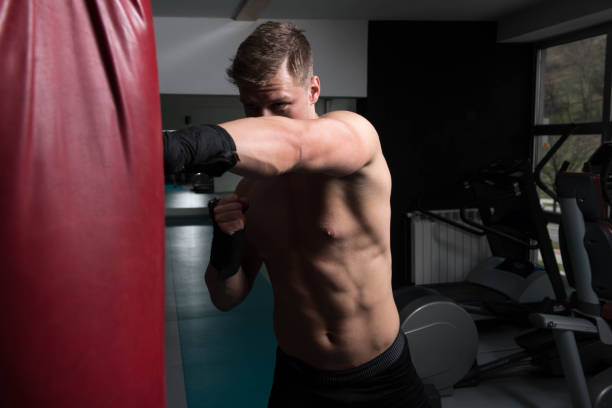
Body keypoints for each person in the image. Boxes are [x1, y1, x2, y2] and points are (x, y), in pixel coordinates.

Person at [163, 21, 430, 408]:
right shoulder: (250, 189)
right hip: (297, 378)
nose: (265, 120)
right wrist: (227, 245)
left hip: (378, 379)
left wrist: (178, 147)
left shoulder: (354, 136)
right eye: (252, 108)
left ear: (313, 90)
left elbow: (295, 144)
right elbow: (226, 298)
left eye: (280, 105)